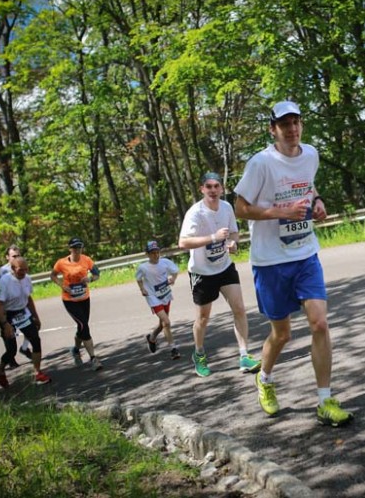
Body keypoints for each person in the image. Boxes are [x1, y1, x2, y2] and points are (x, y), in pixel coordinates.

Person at [233, 100, 353, 427]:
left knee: (320, 323)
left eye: (296, 122)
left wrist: (318, 201)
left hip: (305, 254)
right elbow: (240, 208)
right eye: (284, 124)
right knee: (282, 334)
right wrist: (280, 212)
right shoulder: (261, 163)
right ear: (273, 129)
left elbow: (308, 186)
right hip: (270, 261)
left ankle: (325, 400)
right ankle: (265, 379)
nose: (292, 129)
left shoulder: (310, 154)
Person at [178, 172, 262, 378]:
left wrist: (233, 243)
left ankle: (244, 356)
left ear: (222, 189)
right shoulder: (195, 213)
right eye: (209, 186)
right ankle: (199, 354)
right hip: (202, 272)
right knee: (203, 318)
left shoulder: (226, 208)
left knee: (239, 308)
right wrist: (213, 237)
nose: (213, 190)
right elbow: (183, 242)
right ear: (202, 189)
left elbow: (234, 233)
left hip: (224, 267)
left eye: (217, 186)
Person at [0, 256, 51, 387]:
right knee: (11, 350)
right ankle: (0, 370)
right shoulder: (5, 281)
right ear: (13, 269)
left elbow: (28, 299)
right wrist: (5, 324)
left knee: (36, 340)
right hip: (7, 315)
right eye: (21, 270)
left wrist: (35, 316)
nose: (24, 273)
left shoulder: (27, 279)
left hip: (23, 312)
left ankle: (37, 372)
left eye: (26, 269)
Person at [50, 237, 103, 371]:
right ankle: (93, 358)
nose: (77, 250)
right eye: (74, 247)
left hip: (84, 298)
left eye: (79, 247)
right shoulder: (61, 263)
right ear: (70, 249)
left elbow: (97, 274)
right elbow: (53, 275)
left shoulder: (87, 260)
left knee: (81, 326)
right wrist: (62, 285)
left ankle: (75, 349)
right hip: (70, 300)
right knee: (84, 325)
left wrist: (90, 279)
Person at [136, 241, 181, 360]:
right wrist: (142, 289)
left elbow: (175, 271)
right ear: (147, 254)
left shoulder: (165, 262)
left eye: (157, 252)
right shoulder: (143, 267)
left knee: (163, 324)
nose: (156, 255)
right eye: (152, 253)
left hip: (165, 295)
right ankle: (173, 349)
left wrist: (173, 279)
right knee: (166, 322)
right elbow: (138, 279)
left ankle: (151, 338)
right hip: (152, 297)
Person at [0, 244, 32, 362]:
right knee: (9, 335)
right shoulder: (3, 271)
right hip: (7, 308)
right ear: (7, 257)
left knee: (32, 328)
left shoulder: (22, 267)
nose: (16, 258)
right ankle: (10, 358)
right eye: (14, 256)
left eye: (18, 255)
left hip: (21, 306)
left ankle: (24, 348)